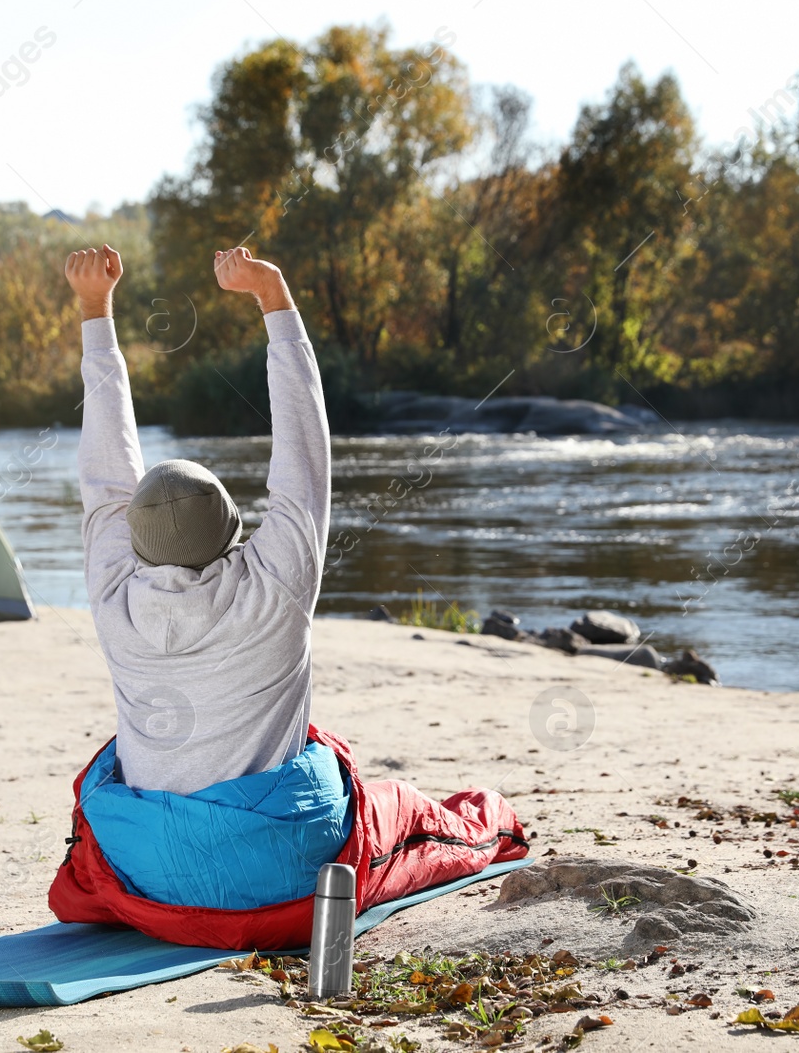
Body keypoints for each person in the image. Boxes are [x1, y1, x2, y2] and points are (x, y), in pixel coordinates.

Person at [49, 244, 527, 950]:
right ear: (232, 529)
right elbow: (305, 453)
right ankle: (500, 821)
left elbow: (107, 472)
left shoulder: (112, 587)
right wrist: (274, 298)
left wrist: (96, 312)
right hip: (284, 873)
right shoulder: (277, 581)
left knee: (110, 780)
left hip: (150, 874)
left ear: (130, 537)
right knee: (402, 815)